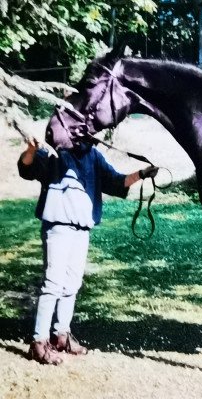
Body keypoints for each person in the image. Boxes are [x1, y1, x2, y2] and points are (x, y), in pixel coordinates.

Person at [18, 137, 158, 365]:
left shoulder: (93, 155)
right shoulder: (55, 152)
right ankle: (38, 342)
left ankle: (61, 335)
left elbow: (116, 182)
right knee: (53, 283)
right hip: (58, 227)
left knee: (72, 284)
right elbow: (26, 168)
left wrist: (141, 174)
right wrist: (32, 149)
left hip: (82, 229)